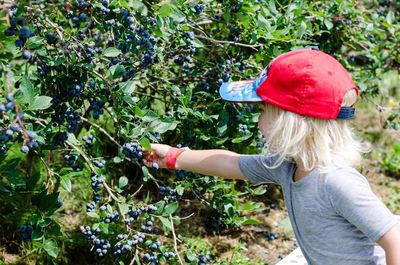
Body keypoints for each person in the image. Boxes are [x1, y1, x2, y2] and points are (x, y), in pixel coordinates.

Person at [143, 49, 400, 265]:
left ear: (291, 123)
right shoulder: (287, 166)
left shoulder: (336, 182)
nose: (258, 122)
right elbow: (231, 162)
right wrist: (174, 157)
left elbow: (395, 238)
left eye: (263, 110)